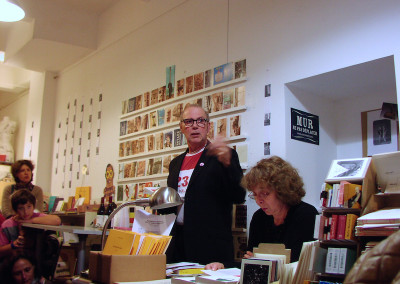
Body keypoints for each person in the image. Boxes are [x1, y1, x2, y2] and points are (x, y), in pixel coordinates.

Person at [161, 104, 246, 267]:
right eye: (189, 121)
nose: (194, 125)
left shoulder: (222, 155)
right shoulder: (175, 163)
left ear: (208, 126)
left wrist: (228, 165)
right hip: (178, 244)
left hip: (210, 246)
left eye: (200, 121)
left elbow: (239, 195)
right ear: (181, 127)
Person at [243, 156, 318, 262]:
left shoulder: (306, 215)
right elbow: (249, 258)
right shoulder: (259, 217)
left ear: (282, 190)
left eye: (265, 193)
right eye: (255, 194)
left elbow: (300, 262)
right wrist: (223, 264)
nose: (258, 200)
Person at [0, 189, 61, 259]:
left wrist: (31, 221)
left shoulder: (38, 217)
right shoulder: (7, 224)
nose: (26, 212)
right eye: (21, 208)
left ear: (33, 206)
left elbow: (57, 220)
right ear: (15, 209)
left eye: (29, 207)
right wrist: (13, 245)